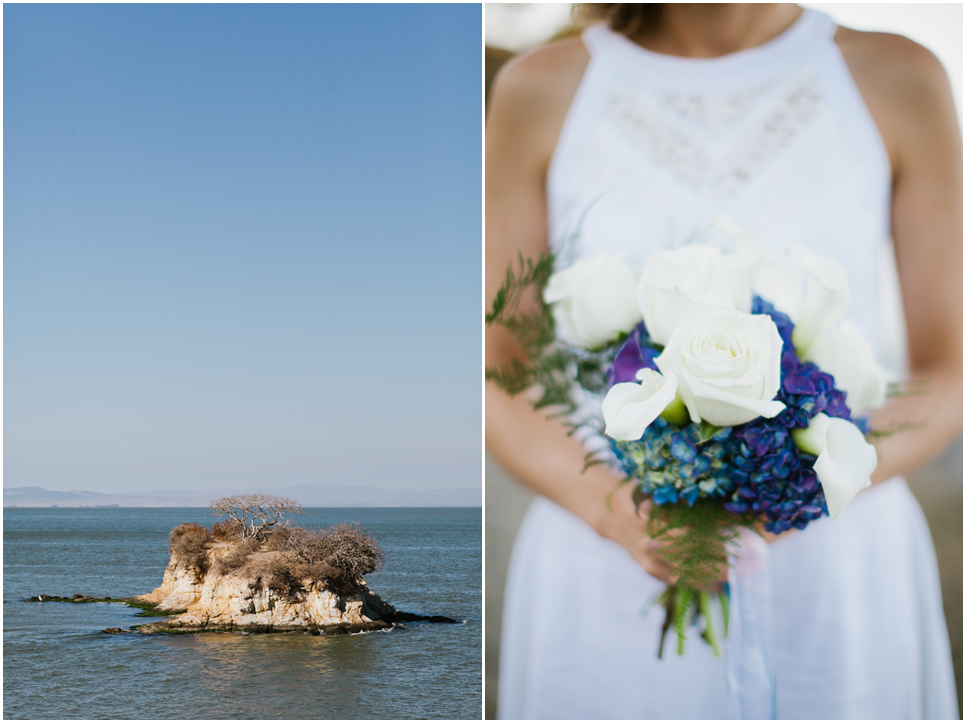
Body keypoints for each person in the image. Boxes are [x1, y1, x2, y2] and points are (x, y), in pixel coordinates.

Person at [485, 3, 961, 719]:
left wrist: (808, 478)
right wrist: (624, 515)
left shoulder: (900, 76)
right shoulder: (539, 88)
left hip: (839, 569)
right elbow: (498, 373)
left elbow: (948, 371)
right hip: (607, 564)